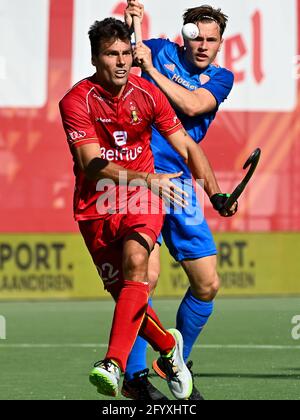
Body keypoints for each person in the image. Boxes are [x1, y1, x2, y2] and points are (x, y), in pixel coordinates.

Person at [59, 18, 233, 400]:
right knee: (131, 290)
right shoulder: (76, 100)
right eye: (111, 54)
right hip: (99, 202)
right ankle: (168, 352)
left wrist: (214, 191)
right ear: (95, 58)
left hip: (152, 191)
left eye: (125, 54)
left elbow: (187, 144)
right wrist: (132, 20)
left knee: (143, 264)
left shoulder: (152, 92)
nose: (121, 62)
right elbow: (91, 164)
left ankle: (114, 364)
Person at [124, 0, 235, 400]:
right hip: (141, 178)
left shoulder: (222, 79)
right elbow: (126, 53)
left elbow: (192, 106)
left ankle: (175, 360)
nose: (203, 45)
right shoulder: (160, 49)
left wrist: (217, 193)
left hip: (183, 185)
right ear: (183, 36)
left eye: (212, 39)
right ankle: (135, 377)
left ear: (220, 44)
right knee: (144, 278)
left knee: (207, 283)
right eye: (197, 37)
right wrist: (131, 25)